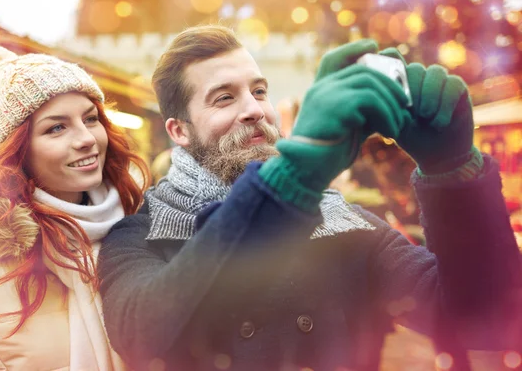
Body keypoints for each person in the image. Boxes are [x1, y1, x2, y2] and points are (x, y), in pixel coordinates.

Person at [98, 25, 521, 370]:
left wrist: (453, 175)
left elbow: (482, 321)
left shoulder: (344, 223)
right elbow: (144, 335)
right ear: (179, 131)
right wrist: (295, 175)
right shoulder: (138, 234)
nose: (254, 110)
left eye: (259, 91)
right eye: (225, 97)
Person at [0, 46, 149, 370]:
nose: (86, 138)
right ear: (17, 151)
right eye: (56, 127)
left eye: (90, 118)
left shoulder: (139, 231)